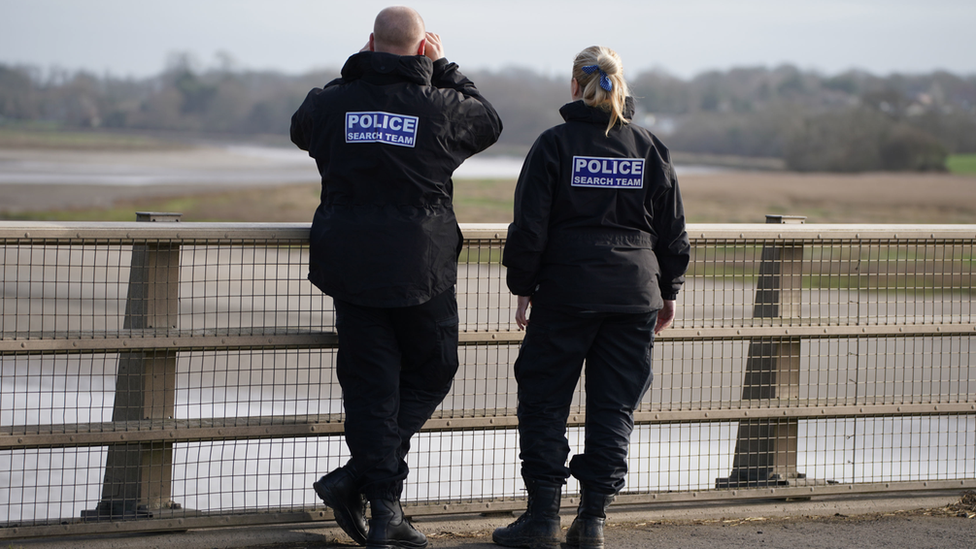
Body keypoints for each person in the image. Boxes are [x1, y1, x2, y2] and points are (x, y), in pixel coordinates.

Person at [290, 6, 502, 548]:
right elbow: (489, 120)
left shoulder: (335, 101)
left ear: (369, 45)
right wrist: (445, 66)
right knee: (434, 370)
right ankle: (376, 502)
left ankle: (371, 491)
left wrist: (358, 71)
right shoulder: (440, 107)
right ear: (421, 47)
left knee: (370, 390)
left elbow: (302, 125)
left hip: (352, 267)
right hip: (421, 267)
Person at [493, 46, 690, 549]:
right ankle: (593, 521)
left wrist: (523, 286)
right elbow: (673, 233)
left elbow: (529, 228)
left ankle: (541, 519)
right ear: (619, 84)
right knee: (614, 407)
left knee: (543, 402)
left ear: (574, 84)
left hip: (565, 294)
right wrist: (667, 291)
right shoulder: (648, 146)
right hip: (634, 295)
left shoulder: (553, 145)